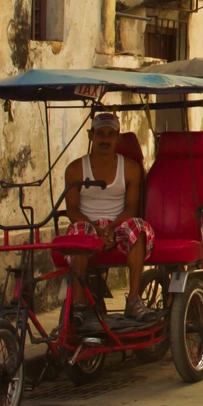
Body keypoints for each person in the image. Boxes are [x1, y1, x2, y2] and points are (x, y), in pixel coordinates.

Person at [60, 113, 156, 323]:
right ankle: (79, 304)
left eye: (110, 135)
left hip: (118, 225)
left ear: (118, 138)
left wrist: (111, 227)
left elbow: (132, 208)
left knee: (139, 227)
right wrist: (95, 229)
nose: (105, 140)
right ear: (91, 135)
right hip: (87, 226)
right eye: (100, 134)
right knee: (79, 231)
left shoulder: (130, 168)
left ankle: (133, 299)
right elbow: (72, 210)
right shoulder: (75, 169)